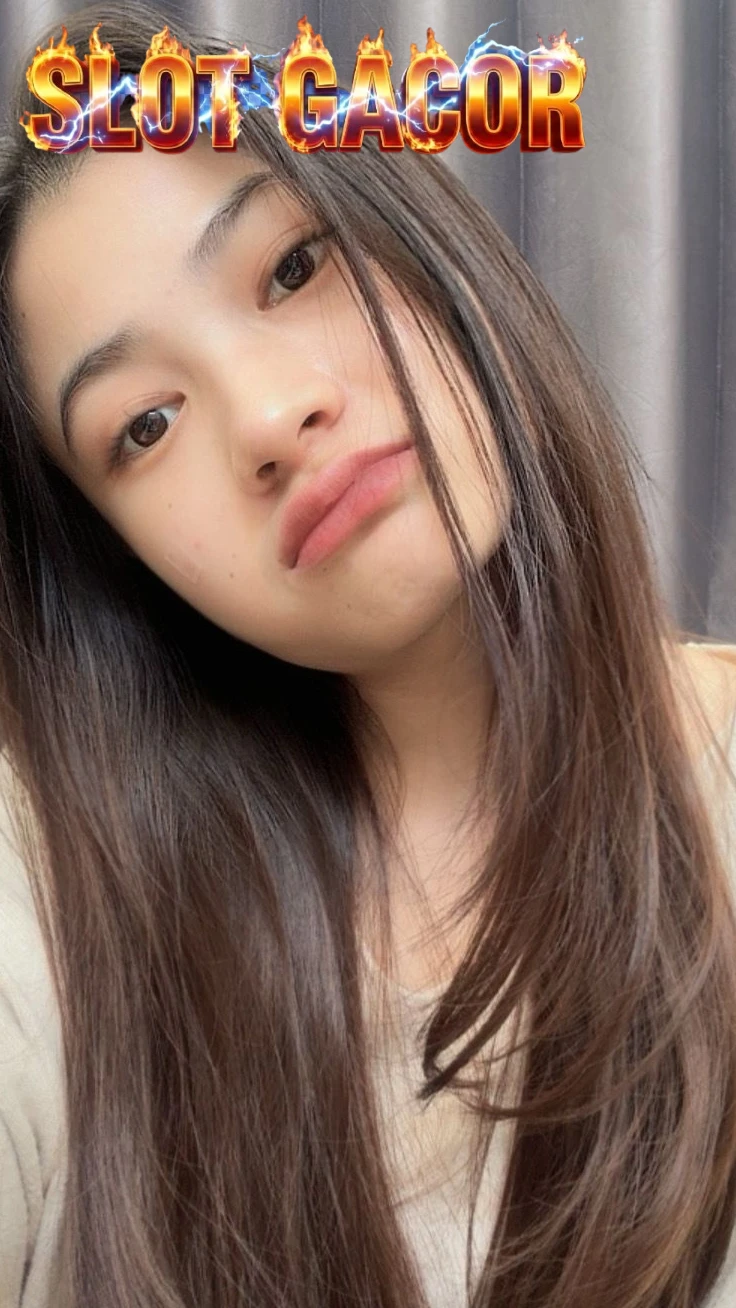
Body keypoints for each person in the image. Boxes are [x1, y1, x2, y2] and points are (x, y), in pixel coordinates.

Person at [0, 3, 735, 1305]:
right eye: (145, 425)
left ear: (419, 231)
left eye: (294, 268)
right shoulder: (55, 896)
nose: (271, 416)